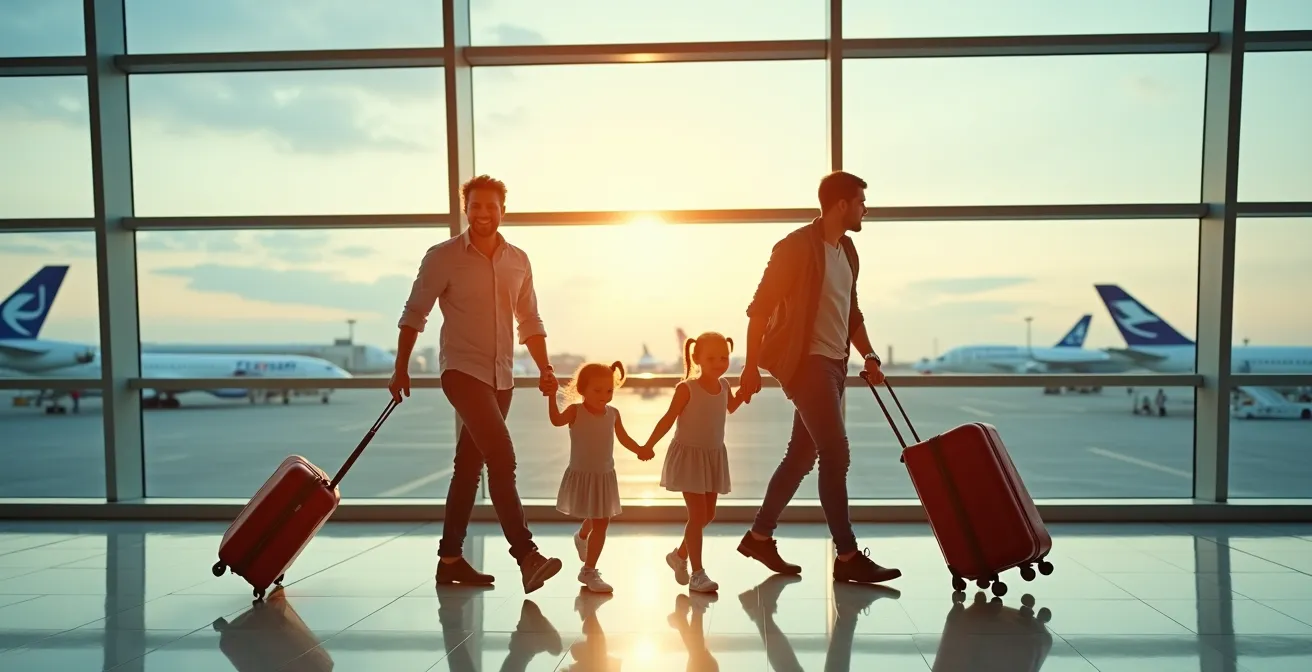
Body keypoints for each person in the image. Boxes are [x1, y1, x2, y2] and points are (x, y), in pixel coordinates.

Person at [390, 174, 563, 594]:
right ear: (466, 209)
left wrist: (544, 367)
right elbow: (415, 312)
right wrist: (400, 367)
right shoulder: (443, 257)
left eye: (491, 206)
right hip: (462, 372)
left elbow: (530, 320)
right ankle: (527, 556)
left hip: (503, 377)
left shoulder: (519, 260)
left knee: (468, 468)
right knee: (502, 458)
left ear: (504, 210)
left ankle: (449, 559)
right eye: (476, 206)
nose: (484, 213)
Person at [735, 170, 902, 585]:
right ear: (841, 204)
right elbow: (758, 309)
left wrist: (870, 355)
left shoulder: (848, 252)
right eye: (862, 201)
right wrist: (750, 366)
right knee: (836, 452)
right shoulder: (794, 248)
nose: (866, 209)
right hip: (805, 363)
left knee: (802, 455)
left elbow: (852, 314)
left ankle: (759, 536)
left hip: (834, 365)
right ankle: (846, 556)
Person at [644, 331, 746, 593]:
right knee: (698, 514)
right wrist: (648, 445)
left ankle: (679, 555)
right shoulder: (686, 388)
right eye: (711, 358)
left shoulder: (723, 385)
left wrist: (746, 389)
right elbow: (668, 419)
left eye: (723, 357)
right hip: (689, 457)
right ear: (697, 357)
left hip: (712, 455)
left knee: (708, 514)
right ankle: (697, 573)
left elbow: (731, 407)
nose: (719, 363)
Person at [549, 360, 650, 593]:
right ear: (582, 389)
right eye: (597, 390)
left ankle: (588, 568)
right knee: (597, 516)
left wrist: (640, 449)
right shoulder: (576, 411)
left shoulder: (613, 414)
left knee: (601, 519)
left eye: (609, 391)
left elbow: (624, 438)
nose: (604, 396)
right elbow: (556, 420)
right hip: (583, 473)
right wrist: (550, 396)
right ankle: (585, 550)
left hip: (604, 474)